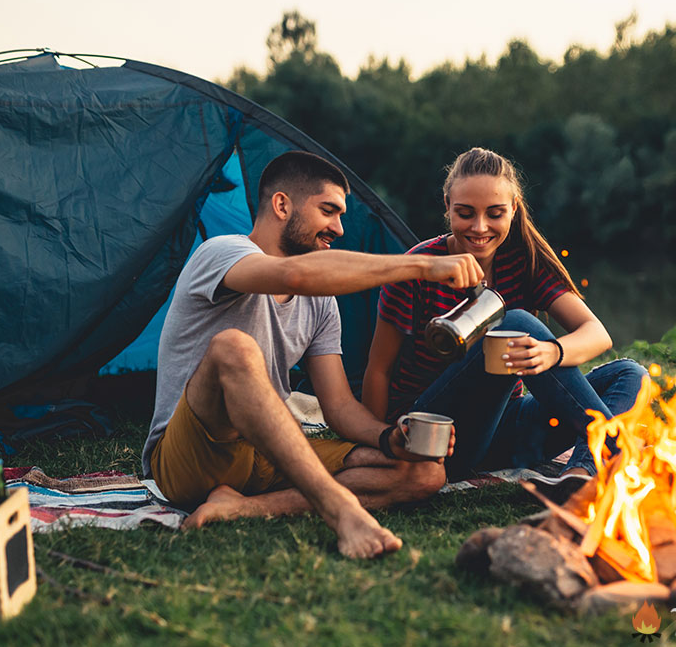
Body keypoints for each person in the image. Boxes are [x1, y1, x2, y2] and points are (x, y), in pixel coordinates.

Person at [141, 151, 485, 559]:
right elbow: (293, 276)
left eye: (341, 215)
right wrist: (422, 266)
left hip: (264, 454)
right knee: (233, 347)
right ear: (282, 205)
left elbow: (338, 405)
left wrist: (388, 437)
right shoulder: (220, 252)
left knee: (424, 473)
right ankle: (340, 511)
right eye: (328, 211)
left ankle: (244, 507)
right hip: (192, 456)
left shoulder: (321, 305)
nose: (339, 227)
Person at [363, 147, 650, 489]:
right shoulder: (419, 267)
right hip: (438, 436)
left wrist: (551, 353)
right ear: (447, 206)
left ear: (514, 208)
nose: (479, 227)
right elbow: (378, 370)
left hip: (508, 428)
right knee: (515, 323)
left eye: (495, 213)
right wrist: (381, 444)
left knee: (630, 374)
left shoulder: (522, 259)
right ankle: (622, 454)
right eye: (465, 213)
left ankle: (580, 475)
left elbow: (596, 333)